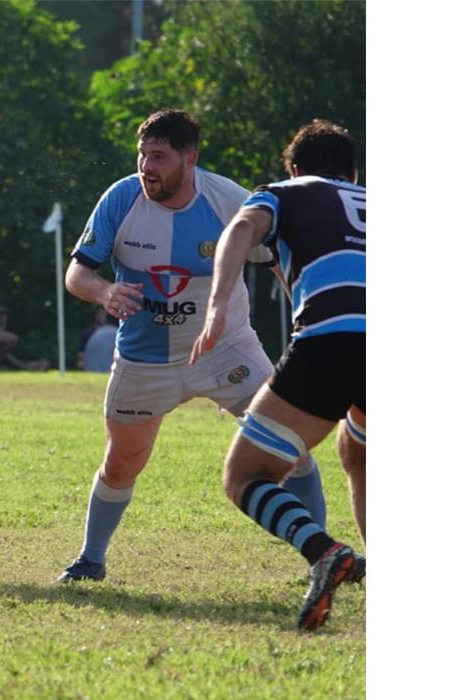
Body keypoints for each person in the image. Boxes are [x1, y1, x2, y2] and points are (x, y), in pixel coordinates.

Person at [56, 109, 329, 584]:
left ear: (190, 158)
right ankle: (90, 559)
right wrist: (105, 292)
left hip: (227, 349)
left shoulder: (229, 200)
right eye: (142, 156)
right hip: (145, 360)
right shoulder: (121, 199)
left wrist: (309, 315)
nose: (147, 167)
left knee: (292, 445)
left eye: (158, 157)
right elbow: (76, 274)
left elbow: (280, 261)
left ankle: (322, 557)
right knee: (121, 464)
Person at [190, 119, 365, 631]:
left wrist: (218, 303)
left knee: (245, 476)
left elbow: (240, 229)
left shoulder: (283, 193)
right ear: (354, 173)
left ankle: (324, 551)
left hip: (332, 338)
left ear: (294, 169)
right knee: (358, 450)